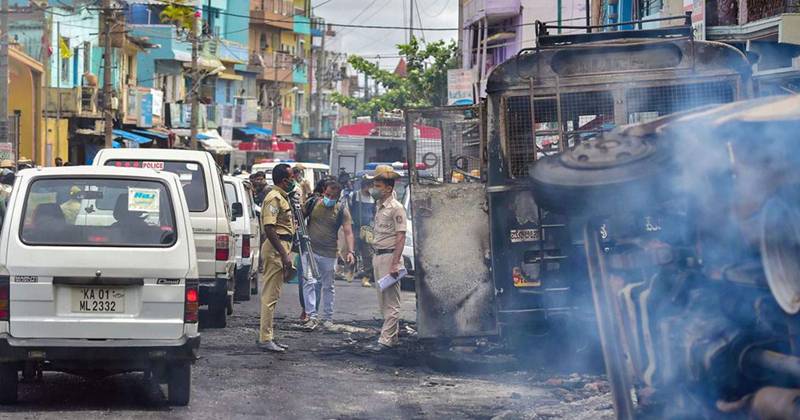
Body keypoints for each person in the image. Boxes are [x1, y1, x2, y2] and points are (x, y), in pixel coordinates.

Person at [300, 180, 355, 331]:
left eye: (333, 196)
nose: (329, 198)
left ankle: (328, 318)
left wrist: (350, 252)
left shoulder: (342, 210)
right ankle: (311, 316)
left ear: (338, 197)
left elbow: (348, 232)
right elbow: (298, 218)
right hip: (310, 251)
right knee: (309, 282)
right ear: (324, 191)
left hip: (330, 253)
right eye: (327, 194)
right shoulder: (313, 204)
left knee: (328, 286)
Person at [365, 165, 407, 352]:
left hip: (390, 257)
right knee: (383, 301)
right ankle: (393, 338)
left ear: (388, 188)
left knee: (391, 302)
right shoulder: (380, 206)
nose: (374, 189)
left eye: (378, 185)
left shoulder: (396, 208)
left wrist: (396, 262)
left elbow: (401, 236)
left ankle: (385, 341)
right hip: (379, 256)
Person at [258, 164, 296, 353]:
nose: (293, 180)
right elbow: (269, 228)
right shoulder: (274, 198)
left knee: (274, 295)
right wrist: (283, 254)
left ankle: (269, 335)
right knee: (269, 297)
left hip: (280, 247)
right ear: (283, 180)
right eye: (291, 177)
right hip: (276, 249)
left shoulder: (282, 197)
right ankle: (265, 338)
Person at [350, 175, 376, 287]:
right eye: (370, 186)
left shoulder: (374, 198)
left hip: (368, 229)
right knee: (352, 251)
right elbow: (348, 210)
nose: (371, 189)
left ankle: (367, 276)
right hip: (355, 227)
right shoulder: (354, 195)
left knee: (368, 253)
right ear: (364, 186)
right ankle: (349, 272)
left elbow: (375, 213)